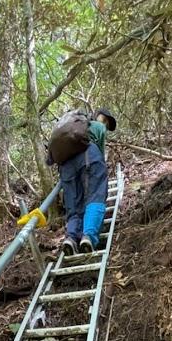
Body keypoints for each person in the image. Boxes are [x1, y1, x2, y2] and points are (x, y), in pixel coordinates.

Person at [51, 108, 117, 255]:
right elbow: (99, 153)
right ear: (96, 116)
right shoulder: (98, 127)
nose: (105, 124)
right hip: (89, 157)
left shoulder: (71, 132)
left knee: (73, 204)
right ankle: (88, 236)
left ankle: (71, 238)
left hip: (65, 165)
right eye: (104, 120)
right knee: (95, 196)